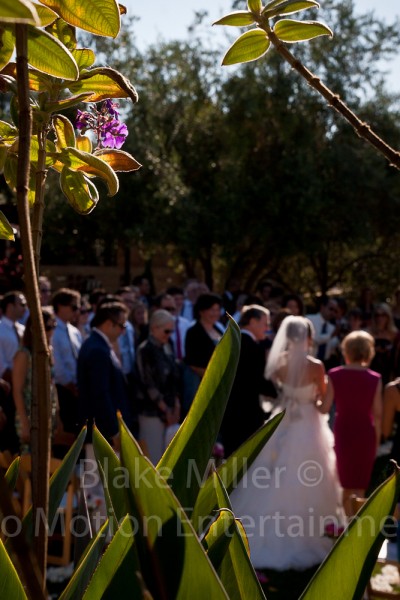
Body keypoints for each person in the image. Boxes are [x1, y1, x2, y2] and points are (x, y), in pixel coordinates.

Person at [230, 316, 343, 573]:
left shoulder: (279, 362)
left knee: (273, 475)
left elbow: (279, 389)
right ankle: (313, 534)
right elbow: (322, 401)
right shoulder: (315, 366)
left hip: (282, 420)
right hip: (308, 422)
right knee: (311, 475)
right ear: (309, 338)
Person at [320, 331, 382, 516]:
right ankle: (357, 529)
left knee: (345, 483)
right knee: (360, 486)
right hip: (365, 433)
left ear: (346, 350)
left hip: (344, 430)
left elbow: (324, 408)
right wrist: (376, 442)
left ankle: (346, 526)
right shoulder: (375, 378)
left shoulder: (334, 374)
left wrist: (310, 399)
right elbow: (378, 415)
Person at [220, 305, 277, 457]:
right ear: (252, 321)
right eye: (265, 324)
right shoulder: (251, 346)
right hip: (245, 414)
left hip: (230, 413)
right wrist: (281, 393)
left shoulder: (233, 341)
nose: (267, 328)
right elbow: (257, 381)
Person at [77, 301, 132, 450]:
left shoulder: (98, 345)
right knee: (100, 473)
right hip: (103, 436)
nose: (123, 332)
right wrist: (114, 432)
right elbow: (100, 394)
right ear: (109, 324)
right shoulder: (97, 349)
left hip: (103, 434)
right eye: (122, 326)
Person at [135, 309, 181, 464]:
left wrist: (175, 405)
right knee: (153, 458)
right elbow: (149, 384)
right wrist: (166, 409)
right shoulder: (145, 350)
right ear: (154, 328)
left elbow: (174, 377)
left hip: (169, 408)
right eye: (166, 331)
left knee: (169, 458)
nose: (169, 335)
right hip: (151, 411)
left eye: (171, 331)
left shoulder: (167, 347)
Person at [12, 309, 58, 454]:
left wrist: (58, 415)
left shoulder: (49, 350)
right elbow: (17, 390)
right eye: (48, 327)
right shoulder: (24, 354)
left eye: (54, 326)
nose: (51, 331)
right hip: (29, 412)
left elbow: (52, 383)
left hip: (48, 413)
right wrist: (25, 423)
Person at [183, 293, 223, 416]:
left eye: (217, 309)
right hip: (200, 384)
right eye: (211, 310)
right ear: (201, 311)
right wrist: (213, 379)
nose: (215, 313)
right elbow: (193, 363)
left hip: (218, 384)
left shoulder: (219, 329)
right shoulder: (193, 332)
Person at [52, 288, 82, 434]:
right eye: (74, 306)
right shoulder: (53, 330)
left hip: (77, 389)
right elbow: (57, 363)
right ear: (60, 306)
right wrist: (69, 385)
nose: (77, 311)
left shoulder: (75, 331)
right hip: (62, 389)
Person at [368, 303, 398, 385]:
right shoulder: (368, 333)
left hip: (389, 372)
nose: (380, 318)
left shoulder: (395, 334)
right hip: (371, 370)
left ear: (388, 316)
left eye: (383, 315)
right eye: (377, 315)